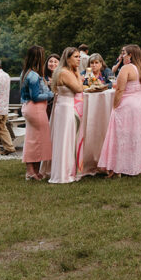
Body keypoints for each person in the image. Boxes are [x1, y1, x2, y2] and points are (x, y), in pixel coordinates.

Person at [98, 45, 141, 177]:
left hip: (128, 106)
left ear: (130, 55)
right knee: (139, 135)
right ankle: (140, 165)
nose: (122, 56)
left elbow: (119, 89)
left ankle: (118, 167)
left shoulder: (127, 68)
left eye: (124, 54)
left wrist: (115, 106)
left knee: (121, 136)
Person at [42, 46, 85, 183]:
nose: (79, 59)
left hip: (65, 107)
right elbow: (78, 88)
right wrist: (78, 73)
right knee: (65, 140)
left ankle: (67, 170)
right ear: (67, 58)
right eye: (76, 57)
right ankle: (63, 173)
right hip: (66, 108)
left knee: (67, 139)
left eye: (79, 56)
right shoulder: (65, 73)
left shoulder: (65, 71)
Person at [20, 45, 54, 180]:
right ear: (38, 58)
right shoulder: (34, 76)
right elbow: (35, 96)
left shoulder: (25, 72)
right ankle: (30, 170)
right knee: (36, 140)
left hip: (28, 107)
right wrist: (51, 94)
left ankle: (34, 170)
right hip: (36, 108)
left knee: (33, 138)